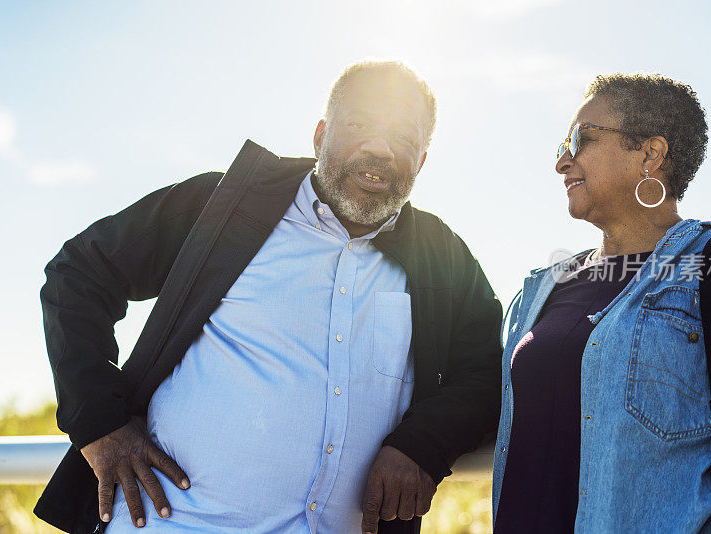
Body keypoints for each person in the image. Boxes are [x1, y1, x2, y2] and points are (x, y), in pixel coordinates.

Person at [35, 60, 503, 534]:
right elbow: (78, 273)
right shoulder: (222, 208)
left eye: (404, 139)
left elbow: (485, 373)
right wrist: (99, 421)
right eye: (360, 125)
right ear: (320, 135)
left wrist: (421, 445)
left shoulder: (443, 256)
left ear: (421, 160)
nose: (380, 148)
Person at [492, 73, 711, 532]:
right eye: (562, 145)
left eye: (582, 139)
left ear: (651, 154)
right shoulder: (541, 288)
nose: (563, 162)